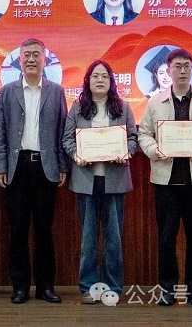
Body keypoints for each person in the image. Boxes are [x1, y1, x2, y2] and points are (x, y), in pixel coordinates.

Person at [138, 48, 192, 307]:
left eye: (187, 66)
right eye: (177, 66)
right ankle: (167, 289)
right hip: (166, 182)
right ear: (169, 70)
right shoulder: (155, 103)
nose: (182, 71)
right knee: (166, 238)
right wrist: (155, 150)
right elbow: (144, 134)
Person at [0, 38, 68, 304]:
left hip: (46, 167)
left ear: (45, 59)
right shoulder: (7, 92)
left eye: (37, 54)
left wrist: (62, 165)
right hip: (17, 168)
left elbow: (62, 130)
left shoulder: (56, 91)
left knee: (44, 230)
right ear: (20, 60)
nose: (32, 59)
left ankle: (46, 286)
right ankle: (20, 287)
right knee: (18, 230)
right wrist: (1, 166)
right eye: (27, 55)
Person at [62, 59, 137, 303]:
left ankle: (113, 287)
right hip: (86, 180)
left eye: (105, 76)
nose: (100, 80)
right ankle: (89, 287)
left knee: (114, 239)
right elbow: (67, 139)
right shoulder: (77, 108)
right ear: (88, 81)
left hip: (114, 180)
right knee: (89, 239)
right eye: (95, 76)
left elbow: (133, 138)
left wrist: (126, 152)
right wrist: (76, 155)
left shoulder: (123, 107)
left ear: (111, 81)